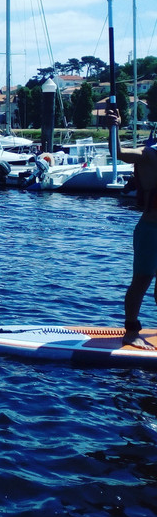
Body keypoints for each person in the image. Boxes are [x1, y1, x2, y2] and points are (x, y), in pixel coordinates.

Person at [108, 108, 157, 349]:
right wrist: (114, 127)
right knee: (141, 281)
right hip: (151, 230)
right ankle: (130, 332)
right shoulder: (149, 154)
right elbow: (118, 152)